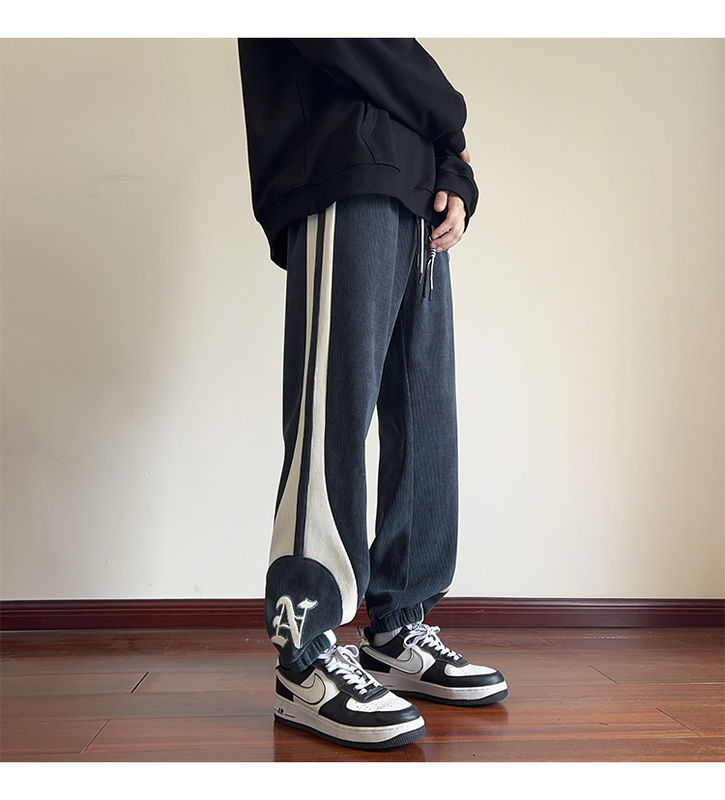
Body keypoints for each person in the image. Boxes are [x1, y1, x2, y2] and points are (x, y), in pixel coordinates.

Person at [237, 38, 507, 750]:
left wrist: (453, 171)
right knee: (335, 413)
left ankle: (396, 627)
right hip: (343, 170)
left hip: (418, 197)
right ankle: (304, 655)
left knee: (426, 416)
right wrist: (451, 117)